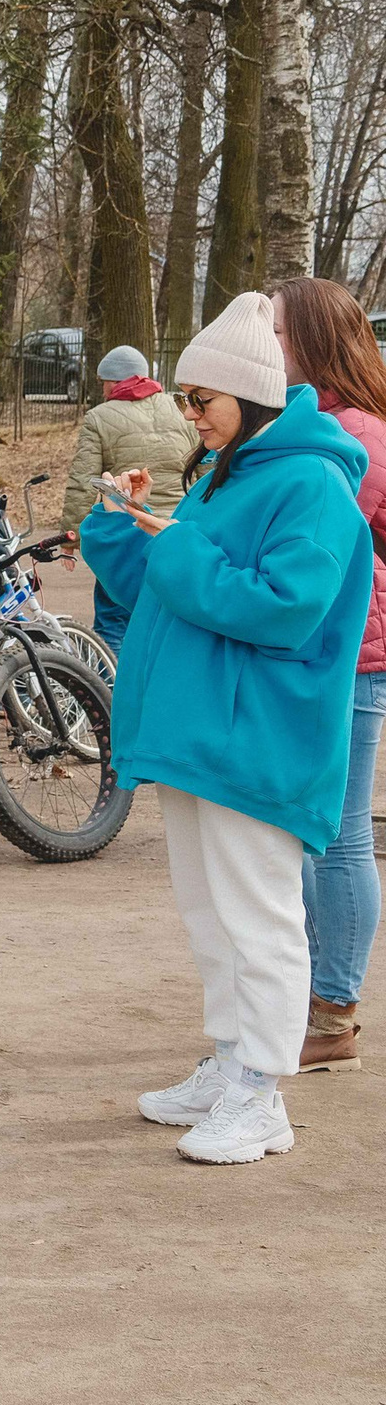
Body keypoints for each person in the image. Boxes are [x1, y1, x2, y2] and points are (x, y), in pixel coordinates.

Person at [81, 292, 370, 1165]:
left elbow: (285, 608)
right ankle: (232, 1061)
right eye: (182, 397)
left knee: (259, 916)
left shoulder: (310, 483)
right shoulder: (228, 474)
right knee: (211, 914)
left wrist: (174, 544)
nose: (186, 415)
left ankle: (262, 1091)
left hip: (259, 740)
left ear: (251, 396)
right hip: (202, 736)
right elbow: (161, 582)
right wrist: (119, 519)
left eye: (200, 399)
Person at [270, 276, 386, 1073]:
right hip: (334, 655)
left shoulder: (353, 436)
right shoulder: (330, 425)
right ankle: (317, 993)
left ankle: (336, 1010)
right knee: (318, 835)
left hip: (355, 659)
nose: (266, 347)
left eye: (276, 333)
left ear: (312, 342)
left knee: (338, 838)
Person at [62, 344, 194, 647]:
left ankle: (108, 690)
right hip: (177, 529)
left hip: (129, 530)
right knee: (172, 618)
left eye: (104, 381)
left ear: (113, 381)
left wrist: (71, 539)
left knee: (113, 620)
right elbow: (202, 471)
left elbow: (83, 483)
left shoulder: (98, 417)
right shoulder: (179, 409)